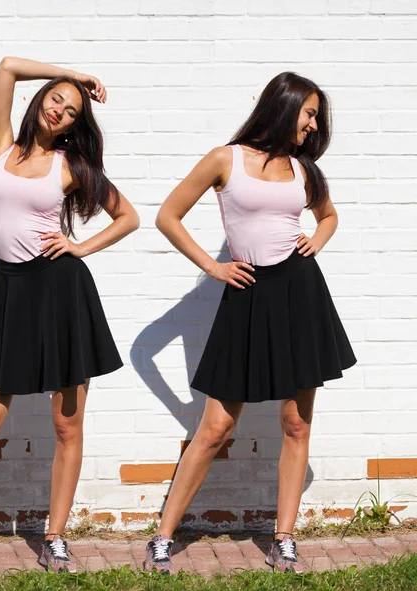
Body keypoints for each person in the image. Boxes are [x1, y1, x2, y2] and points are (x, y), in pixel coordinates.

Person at [0, 56, 139, 576]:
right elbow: (4, 68)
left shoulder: (71, 165)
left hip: (60, 291)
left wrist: (80, 247)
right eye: (56, 99)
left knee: (67, 424)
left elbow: (129, 216)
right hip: (11, 293)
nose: (60, 111)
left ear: (74, 126)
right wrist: (75, 75)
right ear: (41, 99)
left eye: (71, 111)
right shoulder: (0, 147)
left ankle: (55, 537)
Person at [143, 72, 356, 575]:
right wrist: (213, 266)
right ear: (282, 106)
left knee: (296, 422)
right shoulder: (226, 158)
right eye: (308, 113)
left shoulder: (304, 170)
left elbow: (328, 217)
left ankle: (284, 539)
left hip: (300, 294)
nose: (312, 124)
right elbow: (168, 215)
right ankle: (163, 536)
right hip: (248, 295)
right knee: (216, 426)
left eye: (315, 117)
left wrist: (315, 243)